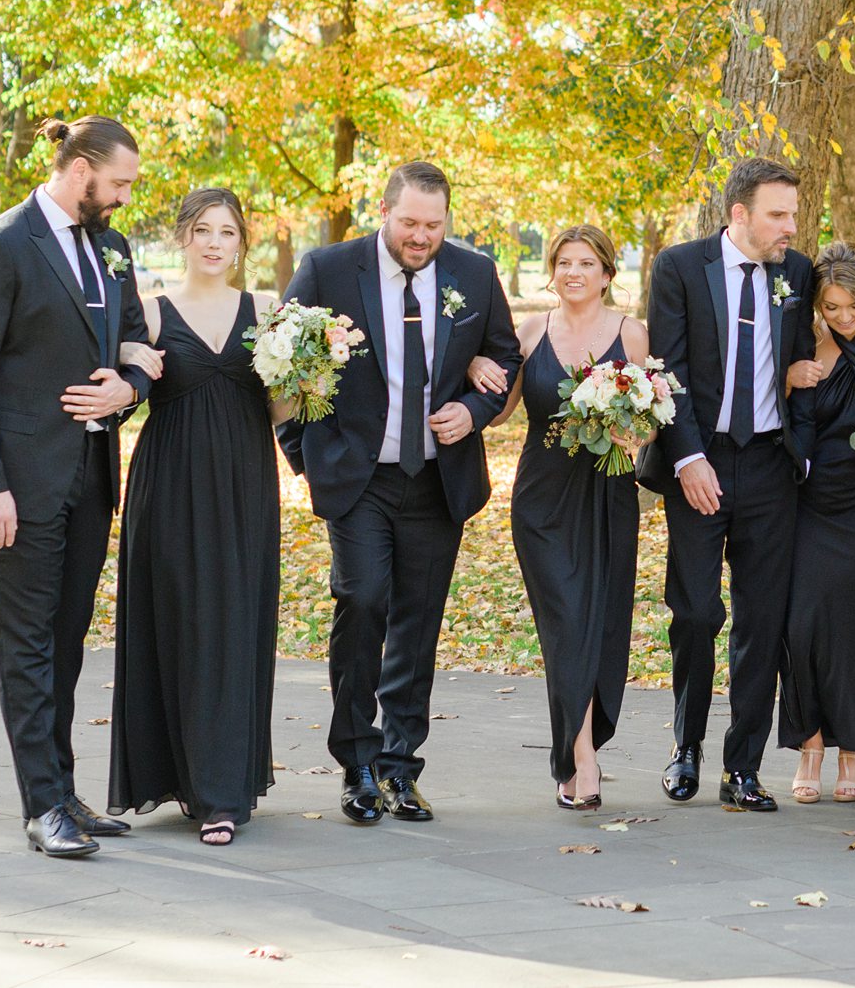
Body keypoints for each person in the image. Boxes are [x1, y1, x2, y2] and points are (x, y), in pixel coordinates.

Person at [0, 116, 161, 857]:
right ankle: (43, 807)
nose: (126, 197)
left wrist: (125, 389)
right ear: (79, 170)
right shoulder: (0, 245)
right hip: (18, 486)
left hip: (93, 479)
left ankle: (63, 790)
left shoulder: (113, 248)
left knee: (65, 643)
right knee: (26, 645)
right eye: (120, 183)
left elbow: (137, 346)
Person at [279, 160, 522, 827]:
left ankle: (399, 764)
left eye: (433, 225)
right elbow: (281, 355)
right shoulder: (328, 268)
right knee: (363, 599)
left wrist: (474, 408)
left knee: (418, 621)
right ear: (383, 212)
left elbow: (506, 354)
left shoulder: (473, 273)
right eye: (409, 222)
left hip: (437, 478)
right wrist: (304, 457)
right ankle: (356, 762)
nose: (420, 237)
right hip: (359, 478)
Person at [641, 158, 816, 811]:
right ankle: (685, 747)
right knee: (694, 612)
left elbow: (800, 363)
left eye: (793, 214)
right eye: (778, 214)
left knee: (762, 622)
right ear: (740, 214)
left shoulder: (795, 273)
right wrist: (687, 459)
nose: (790, 227)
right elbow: (670, 369)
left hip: (772, 466)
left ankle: (741, 766)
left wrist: (797, 452)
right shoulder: (681, 268)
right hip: (701, 462)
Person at [107, 188, 281, 845]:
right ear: (183, 236)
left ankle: (222, 791)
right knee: (178, 622)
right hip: (170, 484)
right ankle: (183, 775)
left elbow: (284, 410)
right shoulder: (149, 313)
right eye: (203, 230)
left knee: (233, 621)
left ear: (242, 241)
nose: (215, 242)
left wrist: (311, 377)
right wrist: (128, 358)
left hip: (243, 482)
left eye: (228, 232)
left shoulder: (268, 310)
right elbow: (121, 392)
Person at [489, 223, 648, 812]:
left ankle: (579, 748)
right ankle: (581, 759)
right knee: (565, 625)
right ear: (552, 271)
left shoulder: (633, 336)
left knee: (601, 623)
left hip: (608, 494)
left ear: (608, 274)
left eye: (586, 263)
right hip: (541, 499)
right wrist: (476, 376)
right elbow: (500, 413)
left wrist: (636, 428)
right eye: (563, 262)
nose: (573, 272)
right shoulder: (531, 331)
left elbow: (656, 415)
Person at [780, 241, 855, 805]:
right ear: (816, 305)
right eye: (832, 307)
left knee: (853, 629)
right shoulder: (801, 347)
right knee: (801, 624)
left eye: (854, 304)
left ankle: (851, 749)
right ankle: (809, 745)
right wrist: (787, 381)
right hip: (804, 503)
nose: (845, 317)